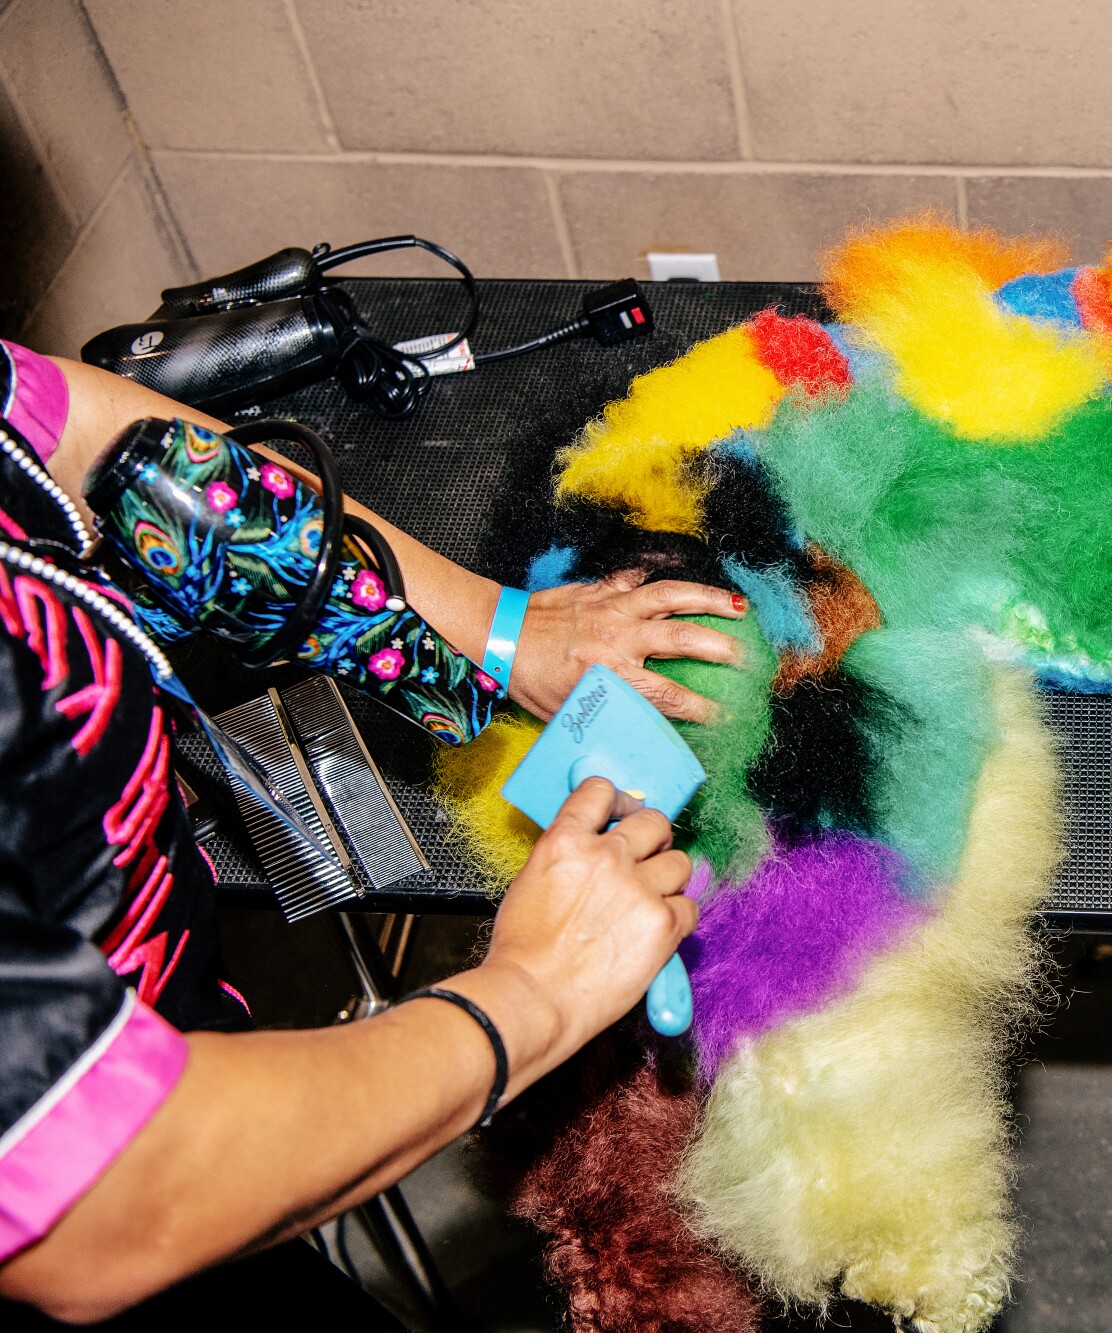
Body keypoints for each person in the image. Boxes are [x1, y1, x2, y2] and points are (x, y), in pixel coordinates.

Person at [0, 339, 742, 1324]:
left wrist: (498, 629)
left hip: (165, 1041)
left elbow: (82, 429)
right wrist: (535, 991)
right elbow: (107, 1196)